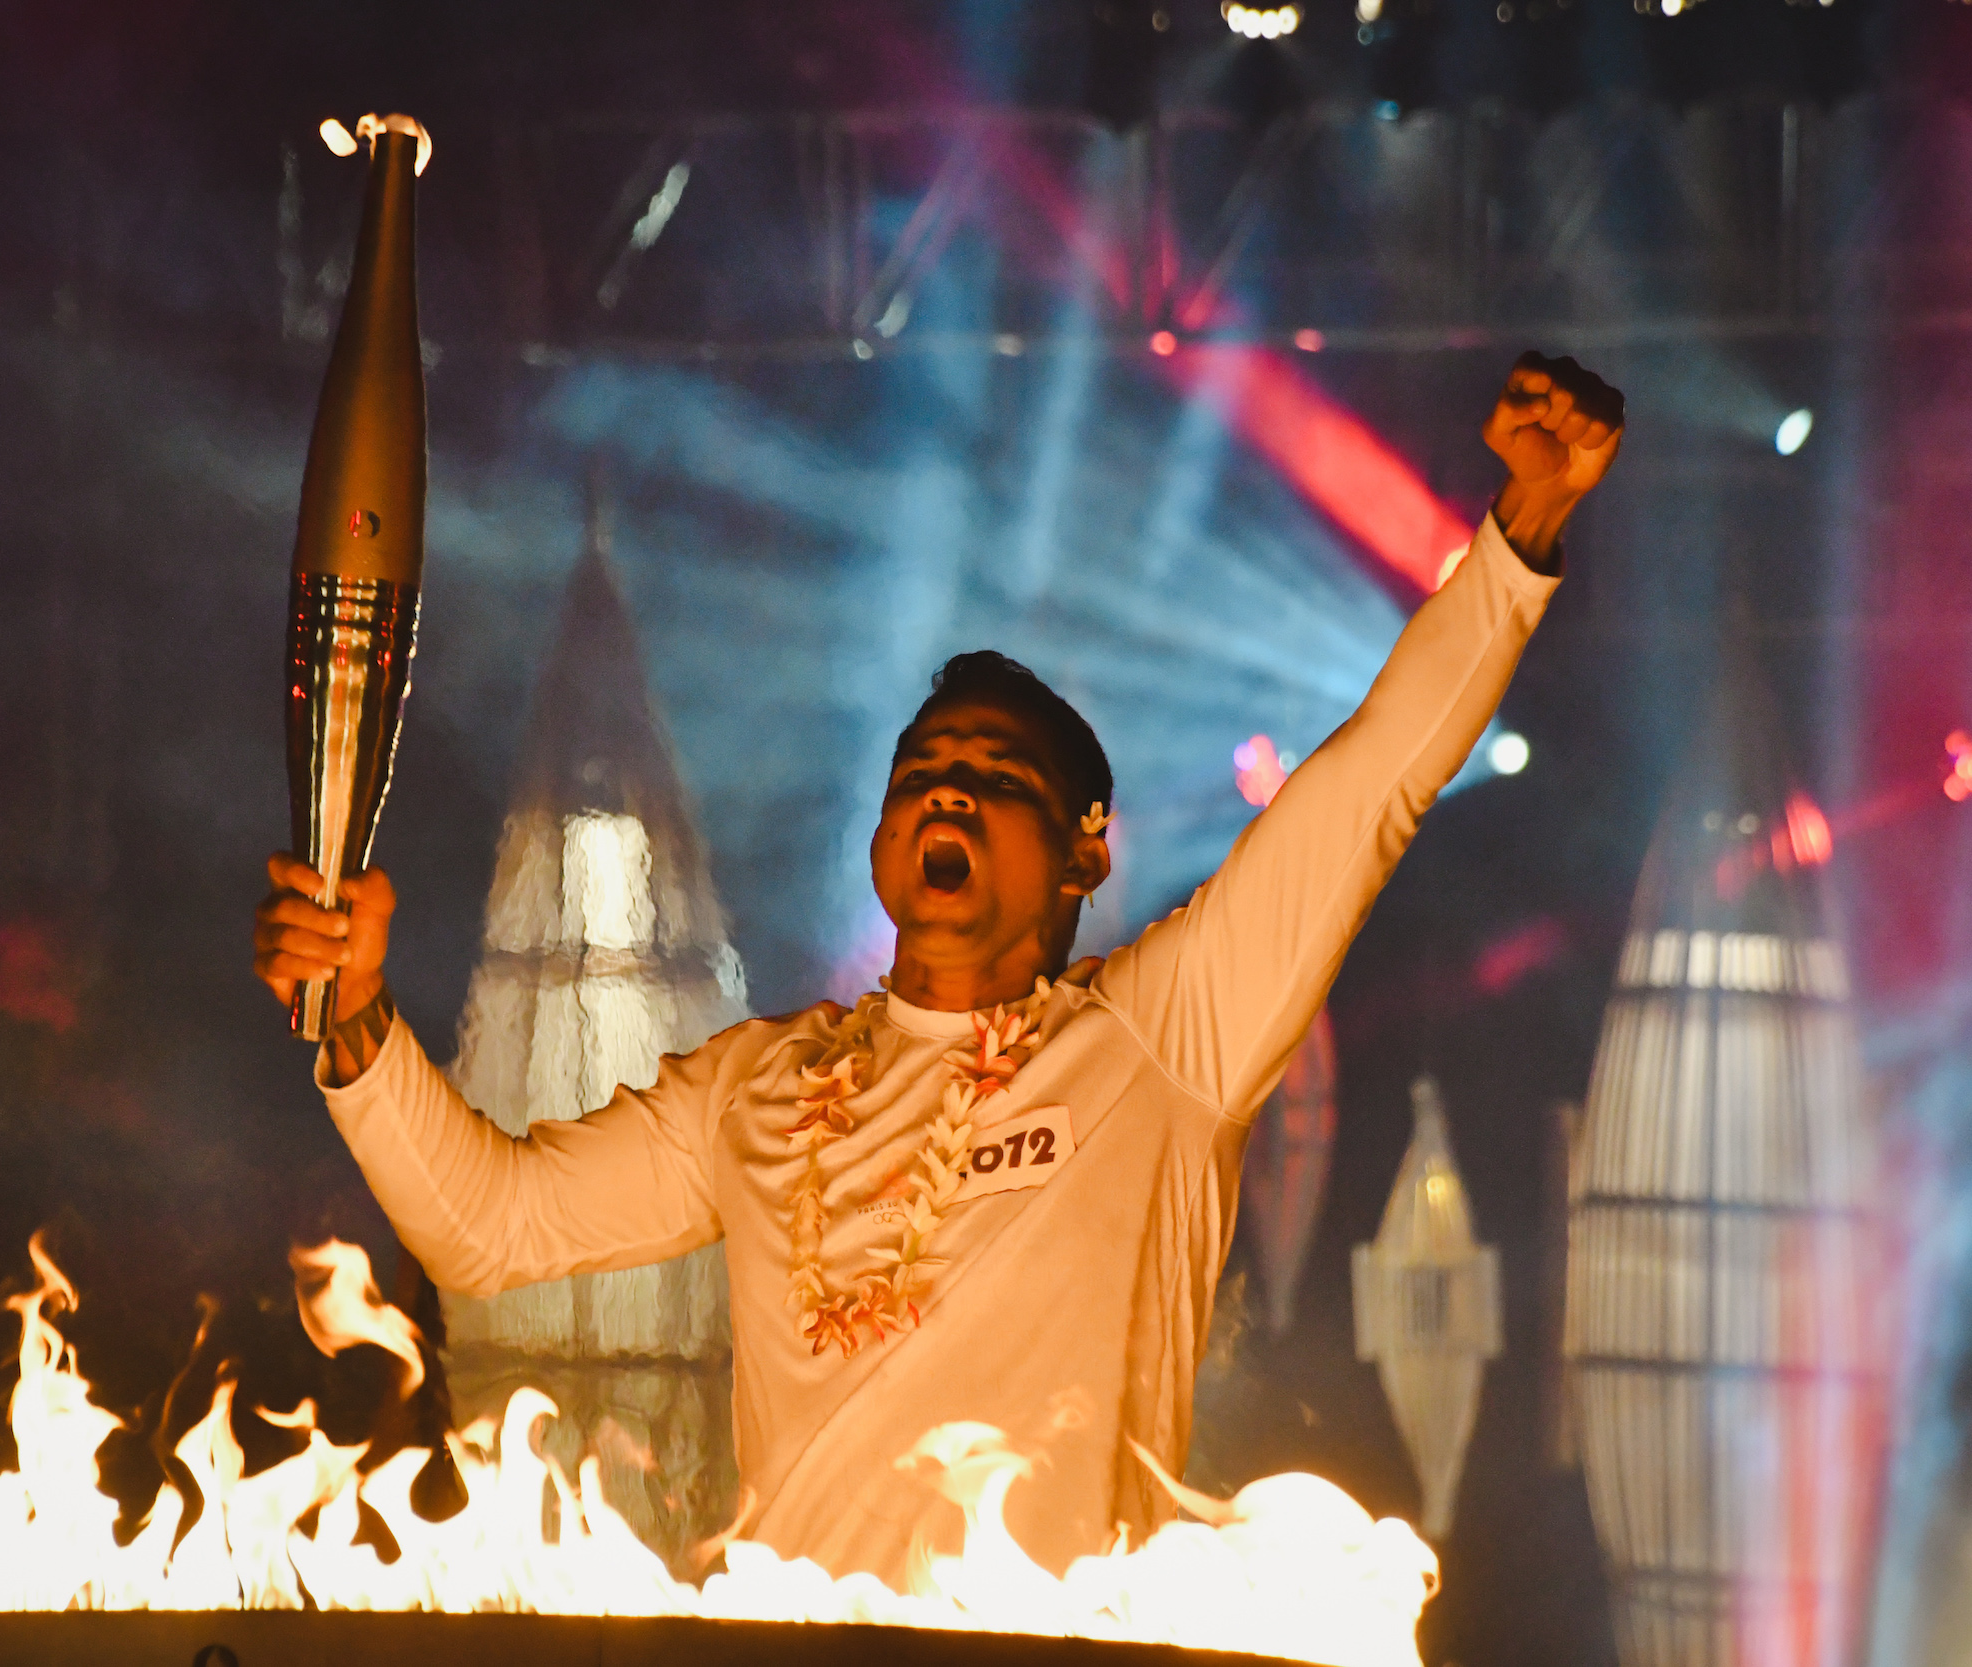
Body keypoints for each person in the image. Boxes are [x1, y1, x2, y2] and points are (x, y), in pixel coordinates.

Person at [254, 352, 1625, 1583]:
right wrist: (361, 1025)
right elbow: (492, 1229)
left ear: (1086, 854)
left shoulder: (1163, 1040)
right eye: (924, 777)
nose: (949, 799)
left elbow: (1372, 781)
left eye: (995, 778)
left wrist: (1518, 543)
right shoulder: (758, 1089)